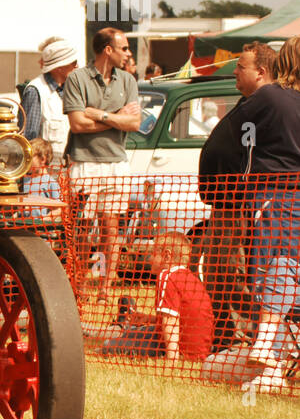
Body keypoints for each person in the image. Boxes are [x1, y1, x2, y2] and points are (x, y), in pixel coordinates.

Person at [198, 36, 300, 390]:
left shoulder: (271, 98)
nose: (236, 73)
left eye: (240, 67)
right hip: (256, 200)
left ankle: (267, 350)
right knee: (271, 271)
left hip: (268, 200)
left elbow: (230, 136)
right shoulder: (276, 99)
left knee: (273, 269)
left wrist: (229, 192)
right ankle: (269, 351)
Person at [62, 27, 139, 298]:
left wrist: (102, 115)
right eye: (125, 48)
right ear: (108, 50)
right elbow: (78, 124)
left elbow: (135, 122)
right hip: (84, 162)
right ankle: (80, 282)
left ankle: (106, 287)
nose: (129, 54)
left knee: (111, 228)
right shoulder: (76, 78)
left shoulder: (128, 80)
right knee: (82, 228)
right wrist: (116, 116)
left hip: (117, 162)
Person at [101, 231, 212, 361]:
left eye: (153, 253)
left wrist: (172, 359)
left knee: (109, 345)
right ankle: (125, 325)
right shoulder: (189, 278)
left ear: (166, 256)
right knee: (137, 331)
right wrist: (150, 318)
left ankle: (121, 326)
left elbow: (171, 321)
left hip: (177, 348)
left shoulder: (167, 276)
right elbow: (183, 318)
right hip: (198, 349)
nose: (149, 258)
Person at [20, 36, 77, 163]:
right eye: (73, 62)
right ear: (59, 67)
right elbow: (29, 139)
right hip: (44, 173)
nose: (76, 66)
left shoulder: (72, 89)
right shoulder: (36, 91)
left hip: (67, 168)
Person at [20, 137, 62, 222]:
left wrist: (44, 220)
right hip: (23, 225)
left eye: (29, 157)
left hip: (40, 228)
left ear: (42, 159)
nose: (26, 161)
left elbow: (58, 209)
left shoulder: (50, 183)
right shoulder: (24, 180)